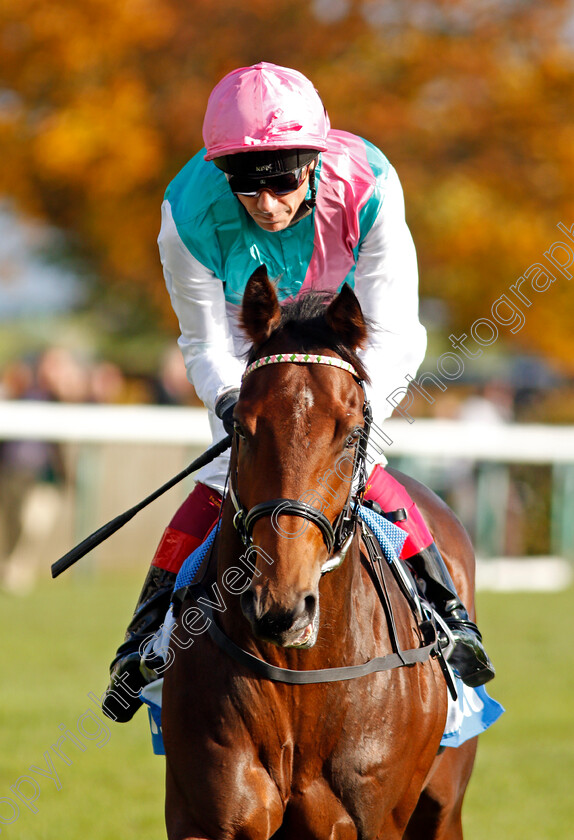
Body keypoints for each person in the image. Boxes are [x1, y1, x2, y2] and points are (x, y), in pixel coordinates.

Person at [102, 62, 494, 722]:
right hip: (252, 356)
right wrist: (234, 404)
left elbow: (395, 328)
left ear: (313, 162)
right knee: (230, 471)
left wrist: (352, 420)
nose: (267, 203)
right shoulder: (188, 212)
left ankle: (447, 616)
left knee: (355, 465)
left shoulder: (369, 184)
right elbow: (205, 343)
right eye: (246, 186)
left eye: (283, 181)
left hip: (346, 352)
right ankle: (142, 640)